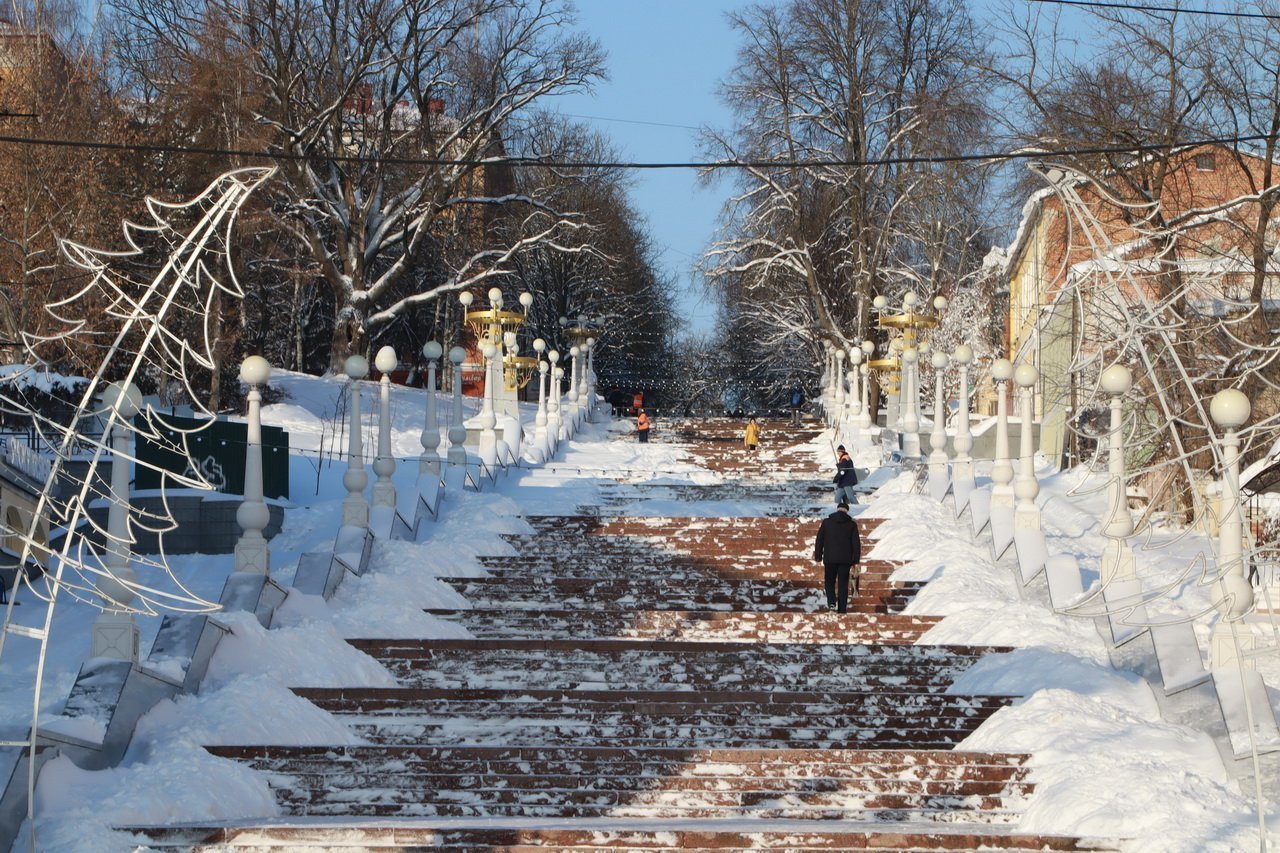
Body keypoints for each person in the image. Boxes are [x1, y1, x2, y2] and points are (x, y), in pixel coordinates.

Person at [814, 500, 862, 613]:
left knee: (829, 581)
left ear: (837, 509)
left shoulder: (826, 522)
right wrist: (856, 561)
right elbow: (856, 543)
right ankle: (842, 609)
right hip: (845, 560)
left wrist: (818, 557)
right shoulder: (852, 524)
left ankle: (831, 602)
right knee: (843, 585)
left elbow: (819, 540)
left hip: (830, 558)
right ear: (847, 511)